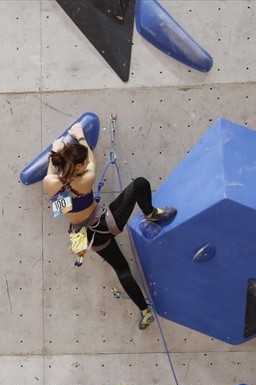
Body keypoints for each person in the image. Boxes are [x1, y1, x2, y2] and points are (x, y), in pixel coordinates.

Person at [42, 122, 177, 330]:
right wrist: (80, 137)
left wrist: (56, 148)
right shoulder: (85, 180)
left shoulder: (50, 183)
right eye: (83, 163)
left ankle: (145, 311)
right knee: (140, 184)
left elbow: (51, 173)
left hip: (87, 237)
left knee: (122, 269)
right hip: (104, 224)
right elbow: (92, 163)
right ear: (78, 167)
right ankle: (150, 214)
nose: (86, 163)